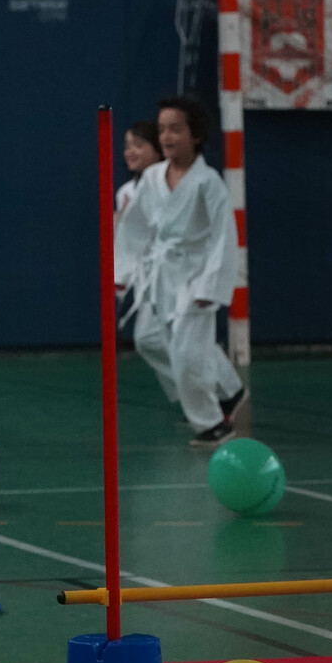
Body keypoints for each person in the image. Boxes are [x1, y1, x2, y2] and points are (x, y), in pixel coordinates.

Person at [114, 96, 247, 449]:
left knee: (188, 352)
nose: (167, 136)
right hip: (161, 277)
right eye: (162, 130)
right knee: (151, 340)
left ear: (195, 135)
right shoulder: (152, 177)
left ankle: (213, 423)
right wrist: (121, 273)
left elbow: (223, 237)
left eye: (175, 129)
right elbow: (134, 226)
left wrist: (211, 286)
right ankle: (227, 391)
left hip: (195, 277)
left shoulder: (208, 182)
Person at [117, 119, 162, 224]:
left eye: (138, 145)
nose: (130, 152)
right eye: (127, 146)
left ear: (158, 149)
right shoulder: (125, 192)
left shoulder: (172, 184)